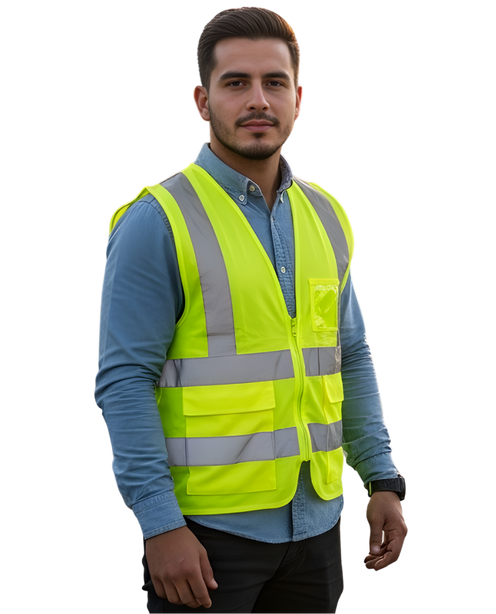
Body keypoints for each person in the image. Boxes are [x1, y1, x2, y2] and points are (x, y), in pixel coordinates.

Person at [93, 5, 411, 613]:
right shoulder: (157, 221)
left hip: (318, 526)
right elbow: (124, 381)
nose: (258, 100)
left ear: (299, 98)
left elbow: (350, 354)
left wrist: (382, 477)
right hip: (206, 537)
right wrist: (159, 524)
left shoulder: (325, 214)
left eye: (274, 83)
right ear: (202, 100)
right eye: (236, 82)